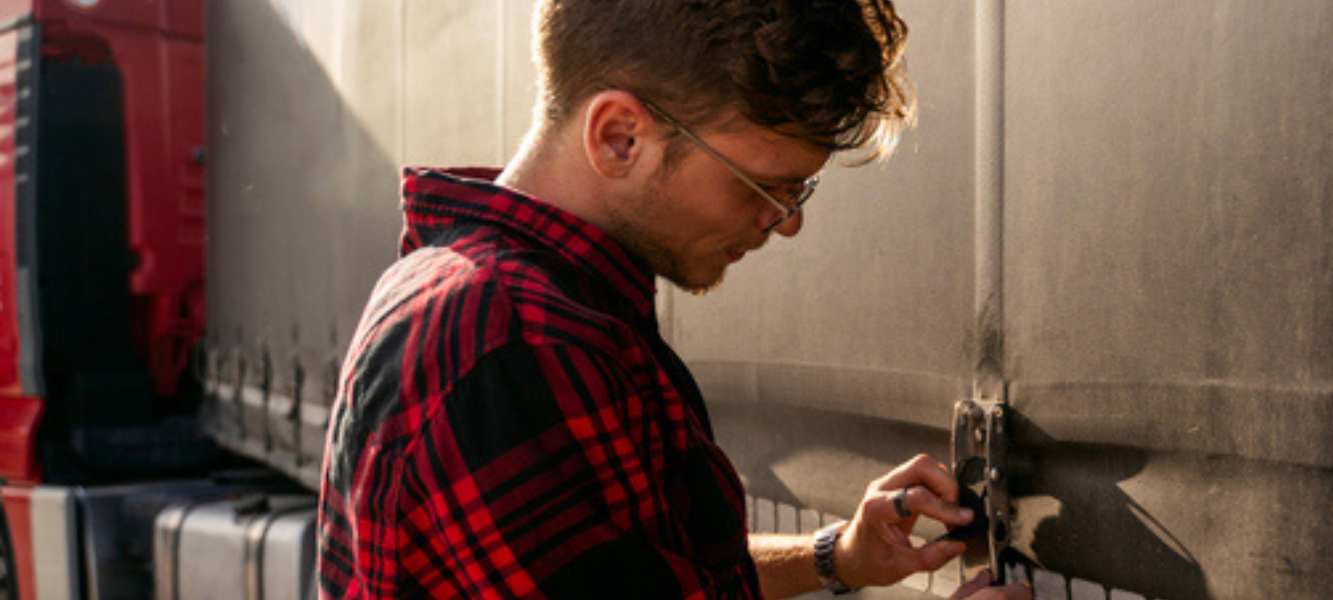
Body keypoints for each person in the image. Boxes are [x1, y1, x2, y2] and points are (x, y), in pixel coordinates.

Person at [316, 1, 1031, 599]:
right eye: (764, 187)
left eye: (798, 190)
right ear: (619, 137)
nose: (787, 222)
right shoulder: (516, 337)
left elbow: (645, 576)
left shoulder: (496, 294)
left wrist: (834, 556)